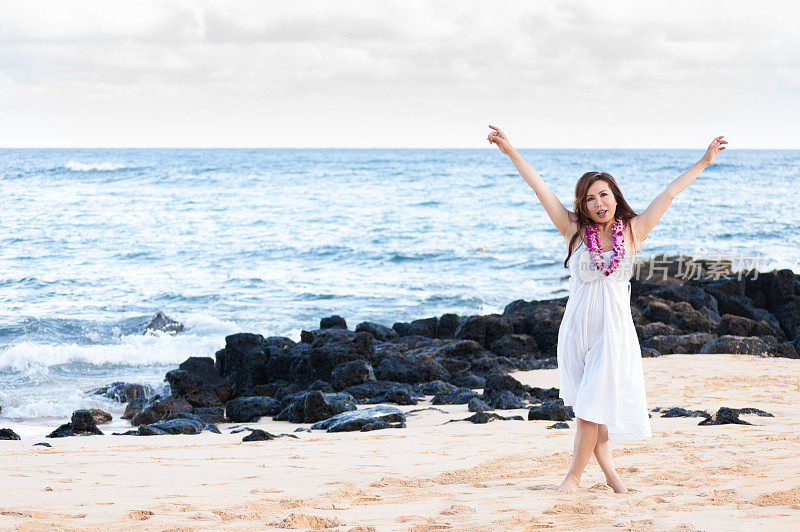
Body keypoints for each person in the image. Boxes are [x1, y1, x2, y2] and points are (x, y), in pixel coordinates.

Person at [487, 125, 728, 494]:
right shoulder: (574, 232)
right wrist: (511, 151)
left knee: (589, 407)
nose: (599, 203)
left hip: (612, 333)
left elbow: (670, 192)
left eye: (604, 195)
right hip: (577, 331)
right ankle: (614, 478)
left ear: (615, 196)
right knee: (592, 409)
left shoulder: (633, 231)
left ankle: (573, 478)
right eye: (590, 199)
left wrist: (705, 161)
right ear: (583, 205)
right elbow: (540, 189)